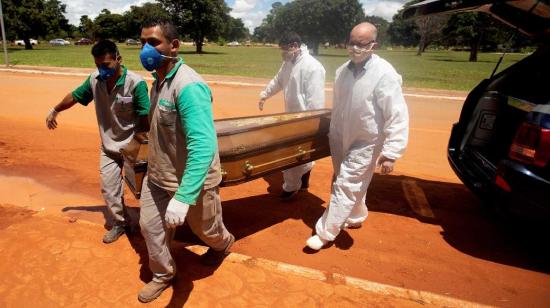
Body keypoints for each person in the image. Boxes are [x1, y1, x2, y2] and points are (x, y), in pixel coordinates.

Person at [137, 18, 235, 303]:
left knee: (206, 230)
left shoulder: (188, 86)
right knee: (150, 228)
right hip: (158, 176)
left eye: (153, 42)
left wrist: (183, 196)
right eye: (142, 42)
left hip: (192, 180)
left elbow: (203, 146)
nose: (146, 49)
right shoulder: (157, 81)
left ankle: (224, 244)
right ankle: (163, 274)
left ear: (174, 46)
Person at [306, 22, 409, 250]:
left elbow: (397, 113)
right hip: (340, 136)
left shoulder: (385, 74)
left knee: (345, 183)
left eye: (361, 44)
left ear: (374, 45)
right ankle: (356, 215)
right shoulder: (342, 71)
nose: (354, 48)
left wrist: (392, 152)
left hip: (366, 140)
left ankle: (325, 233)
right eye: (351, 42)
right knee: (347, 179)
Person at [45, 40, 150, 244]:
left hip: (134, 148)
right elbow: (75, 96)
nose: (102, 70)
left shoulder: (135, 84)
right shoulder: (95, 80)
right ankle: (121, 223)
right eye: (98, 65)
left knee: (145, 192)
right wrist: (55, 109)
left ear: (118, 59)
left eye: (106, 65)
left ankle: (152, 226)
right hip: (109, 148)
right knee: (110, 190)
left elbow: (145, 119)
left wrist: (144, 148)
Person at [258, 32, 326, 200]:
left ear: (294, 46)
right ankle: (303, 181)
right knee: (300, 152)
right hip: (291, 116)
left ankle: (290, 187)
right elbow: (278, 80)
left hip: (305, 118)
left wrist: (312, 122)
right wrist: (265, 94)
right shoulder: (288, 62)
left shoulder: (313, 67)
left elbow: (316, 100)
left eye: (284, 49)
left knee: (292, 153)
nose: (282, 53)